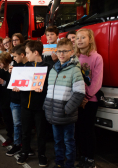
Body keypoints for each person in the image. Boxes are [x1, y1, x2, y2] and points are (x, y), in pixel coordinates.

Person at [43, 38, 85, 168]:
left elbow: (79, 93)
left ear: (71, 52)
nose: (61, 54)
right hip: (54, 114)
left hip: (66, 115)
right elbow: (49, 91)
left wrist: (67, 109)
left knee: (69, 142)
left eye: (65, 51)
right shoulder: (53, 70)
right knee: (58, 141)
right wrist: (46, 106)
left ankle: (69, 165)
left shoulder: (75, 70)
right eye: (59, 51)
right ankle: (59, 163)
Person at [75, 29, 103, 168]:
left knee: (88, 130)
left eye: (83, 37)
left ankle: (90, 159)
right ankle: (83, 156)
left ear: (90, 39)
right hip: (77, 100)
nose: (79, 40)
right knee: (79, 130)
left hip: (89, 101)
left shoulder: (97, 57)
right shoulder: (75, 57)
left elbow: (97, 81)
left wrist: (85, 97)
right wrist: (79, 98)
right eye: (77, 38)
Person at [0, 52, 14, 146]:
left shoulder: (12, 71)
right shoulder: (0, 71)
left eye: (1, 62)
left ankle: (18, 139)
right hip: (3, 99)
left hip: (12, 99)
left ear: (7, 62)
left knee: (15, 121)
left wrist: (4, 83)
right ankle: (9, 137)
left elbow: (13, 84)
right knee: (7, 119)